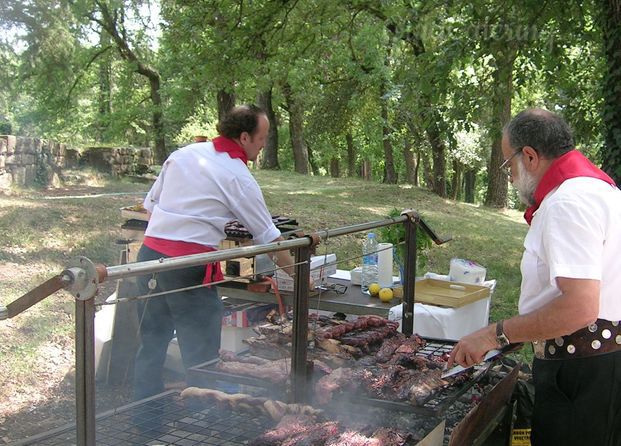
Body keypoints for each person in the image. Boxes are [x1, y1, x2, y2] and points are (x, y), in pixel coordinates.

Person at [448, 108, 621, 445]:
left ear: (529, 156)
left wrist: (493, 335)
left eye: (507, 165)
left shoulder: (567, 203)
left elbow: (579, 309)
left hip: (581, 378)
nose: (510, 177)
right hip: (602, 368)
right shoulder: (601, 191)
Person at [133, 104, 296, 401]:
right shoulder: (236, 175)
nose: (264, 144)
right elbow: (271, 239)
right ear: (245, 137)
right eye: (262, 137)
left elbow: (150, 205)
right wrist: (300, 277)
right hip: (188, 269)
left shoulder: (182, 155)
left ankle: (146, 427)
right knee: (202, 358)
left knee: (151, 346)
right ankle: (201, 426)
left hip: (148, 260)